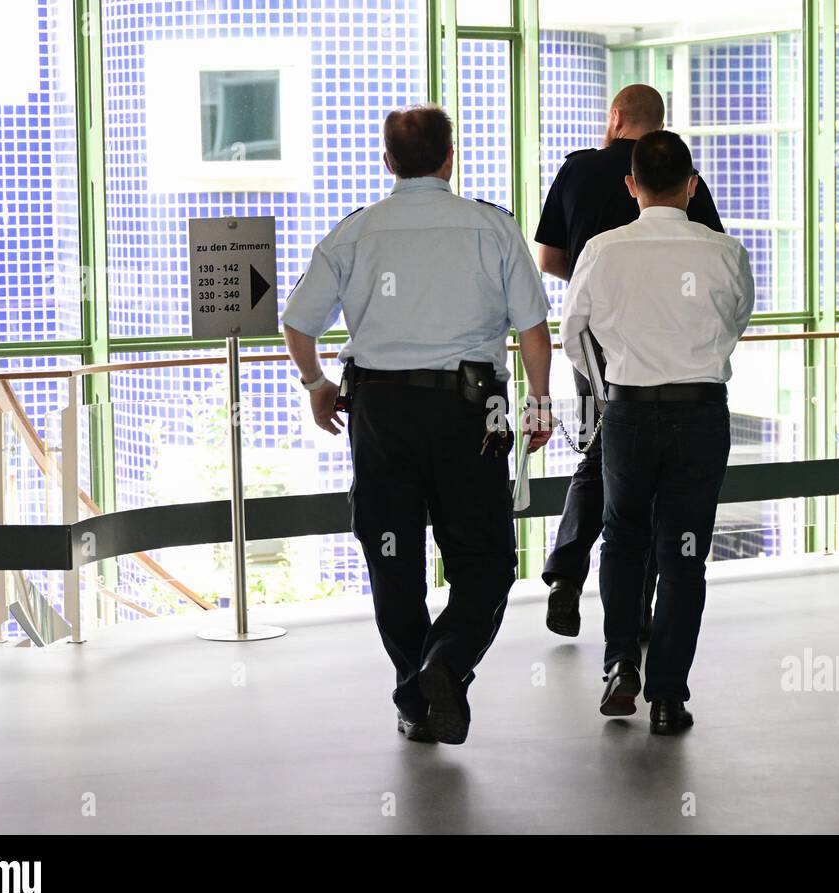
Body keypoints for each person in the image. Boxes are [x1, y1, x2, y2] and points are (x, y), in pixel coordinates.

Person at [282, 105, 553, 746]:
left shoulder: (356, 232)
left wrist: (319, 385)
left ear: (387, 161)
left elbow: (299, 323)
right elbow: (534, 333)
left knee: (392, 558)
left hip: (379, 414)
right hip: (472, 412)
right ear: (449, 158)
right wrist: (540, 403)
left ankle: (416, 692)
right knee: (484, 561)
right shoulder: (492, 227)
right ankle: (444, 667)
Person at [560, 131, 753, 734]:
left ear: (631, 184)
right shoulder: (724, 251)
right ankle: (668, 697)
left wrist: (606, 384)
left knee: (622, 540)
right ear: (691, 186)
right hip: (700, 411)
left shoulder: (601, 249)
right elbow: (736, 319)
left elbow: (572, 331)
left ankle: (621, 664)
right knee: (685, 554)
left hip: (628, 411)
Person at [534, 84, 724, 640]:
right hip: (669, 355)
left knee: (603, 454)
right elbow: (709, 258)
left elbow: (548, 258)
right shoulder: (686, 182)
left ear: (615, 118)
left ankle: (567, 575)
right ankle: (637, 614)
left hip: (593, 344)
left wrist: (606, 292)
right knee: (653, 477)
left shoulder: (577, 171)